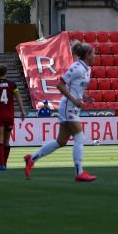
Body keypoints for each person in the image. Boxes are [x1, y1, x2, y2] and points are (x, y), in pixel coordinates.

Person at [24, 41, 97, 182]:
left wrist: (85, 96)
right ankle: (79, 172)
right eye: (93, 53)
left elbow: (76, 87)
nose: (95, 56)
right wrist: (74, 100)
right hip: (68, 106)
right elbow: (60, 85)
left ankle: (31, 159)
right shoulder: (76, 68)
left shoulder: (87, 69)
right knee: (80, 137)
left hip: (73, 106)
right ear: (87, 54)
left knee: (61, 141)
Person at [0, 63, 27, 171]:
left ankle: (2, 165)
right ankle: (5, 164)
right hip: (9, 115)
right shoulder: (13, 84)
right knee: (6, 141)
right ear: (6, 72)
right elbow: (18, 98)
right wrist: (22, 111)